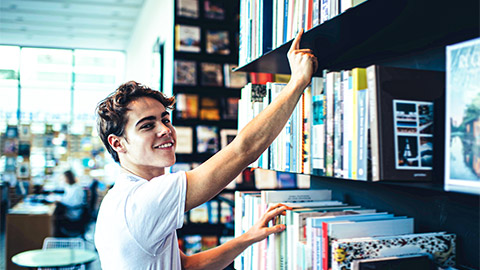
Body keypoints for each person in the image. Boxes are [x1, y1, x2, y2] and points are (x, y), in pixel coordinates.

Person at [94, 29, 317, 269]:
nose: (165, 130)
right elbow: (244, 150)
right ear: (118, 144)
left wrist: (249, 237)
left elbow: (187, 267)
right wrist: (297, 82)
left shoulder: (118, 199)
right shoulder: (143, 200)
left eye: (165, 119)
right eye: (147, 125)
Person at [53, 170, 86, 236]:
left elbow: (71, 202)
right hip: (73, 210)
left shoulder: (75, 189)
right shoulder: (72, 187)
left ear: (68, 178)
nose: (63, 180)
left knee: (55, 217)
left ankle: (58, 234)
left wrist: (60, 200)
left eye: (64, 178)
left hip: (73, 214)